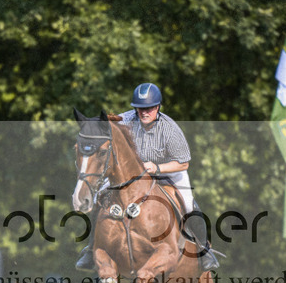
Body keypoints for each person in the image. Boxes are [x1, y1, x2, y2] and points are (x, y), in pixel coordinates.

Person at [76, 82, 219, 272]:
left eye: (149, 108)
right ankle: (91, 248)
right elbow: (103, 128)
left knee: (188, 202)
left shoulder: (170, 129)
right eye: (140, 108)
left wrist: (157, 167)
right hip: (132, 175)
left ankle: (204, 250)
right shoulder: (125, 120)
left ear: (157, 107)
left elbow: (183, 163)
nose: (144, 112)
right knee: (100, 197)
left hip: (168, 171)